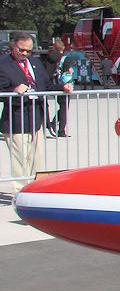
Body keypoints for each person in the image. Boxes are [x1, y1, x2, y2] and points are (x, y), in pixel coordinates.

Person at [1, 34, 72, 194]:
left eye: (28, 51)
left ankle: (34, 188)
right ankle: (20, 190)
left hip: (37, 116)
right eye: (21, 50)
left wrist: (62, 87)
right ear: (13, 46)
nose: (25, 54)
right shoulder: (4, 64)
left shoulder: (35, 62)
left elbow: (45, 85)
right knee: (20, 158)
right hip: (16, 118)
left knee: (36, 157)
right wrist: (13, 90)